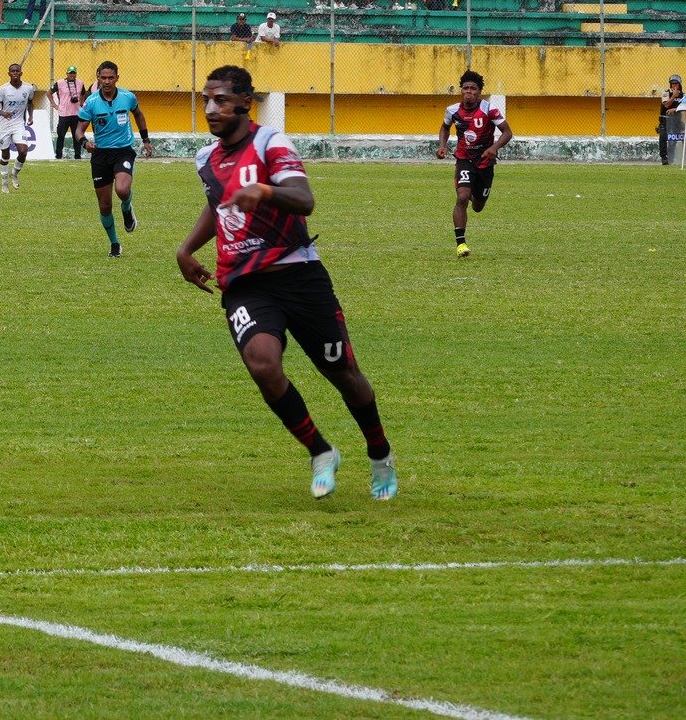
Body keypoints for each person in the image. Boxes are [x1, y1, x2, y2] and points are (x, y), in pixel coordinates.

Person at [175, 65, 397, 502]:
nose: (210, 108)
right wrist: (186, 249)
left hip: (299, 276)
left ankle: (379, 452)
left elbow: (305, 200)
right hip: (244, 283)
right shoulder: (207, 158)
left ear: (244, 102)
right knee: (263, 363)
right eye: (206, 99)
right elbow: (218, 206)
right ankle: (320, 451)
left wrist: (265, 191)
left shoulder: (270, 143)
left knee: (344, 374)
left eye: (220, 100)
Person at [436, 70, 514, 258]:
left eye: (472, 89)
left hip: (485, 163)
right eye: (465, 88)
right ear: (461, 91)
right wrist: (442, 146)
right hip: (464, 160)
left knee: (478, 206)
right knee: (462, 197)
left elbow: (507, 132)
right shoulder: (452, 110)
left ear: (479, 92)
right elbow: (445, 127)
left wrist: (494, 147)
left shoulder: (489, 110)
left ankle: (474, 193)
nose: (468, 92)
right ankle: (461, 244)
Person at [78, 60, 153, 256]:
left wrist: (145, 139)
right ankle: (114, 243)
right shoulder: (91, 102)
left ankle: (127, 208)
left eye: (111, 77)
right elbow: (79, 130)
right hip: (100, 154)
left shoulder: (128, 97)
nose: (107, 81)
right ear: (98, 78)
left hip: (123, 151)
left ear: (117, 78)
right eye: (103, 77)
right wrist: (85, 143)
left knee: (122, 189)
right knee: (104, 206)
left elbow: (138, 114)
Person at [0, 61, 38, 192]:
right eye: (13, 71)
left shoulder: (28, 88)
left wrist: (30, 116)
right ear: (9, 74)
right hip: (4, 125)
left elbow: (30, 103)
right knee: (5, 154)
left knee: (23, 151)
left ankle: (14, 174)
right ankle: (4, 183)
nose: (15, 73)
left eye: (17, 71)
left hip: (18, 124)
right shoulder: (3, 89)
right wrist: (3, 113)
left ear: (21, 73)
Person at [49, 65, 87, 160]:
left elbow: (83, 93)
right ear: (67, 73)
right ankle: (58, 156)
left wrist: (81, 104)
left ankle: (78, 157)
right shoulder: (60, 83)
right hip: (64, 114)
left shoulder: (80, 83)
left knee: (76, 137)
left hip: (76, 114)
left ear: (76, 74)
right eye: (70, 73)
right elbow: (49, 93)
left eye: (74, 73)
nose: (72, 75)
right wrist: (54, 104)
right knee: (61, 136)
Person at [660, 74, 684, 165]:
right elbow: (666, 105)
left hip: (678, 120)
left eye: (676, 84)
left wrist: (675, 109)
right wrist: (673, 96)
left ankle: (678, 158)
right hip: (666, 121)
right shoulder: (666, 93)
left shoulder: (683, 95)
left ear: (679, 85)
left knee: (678, 137)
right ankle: (664, 157)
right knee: (663, 137)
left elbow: (684, 107)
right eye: (672, 84)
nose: (674, 86)